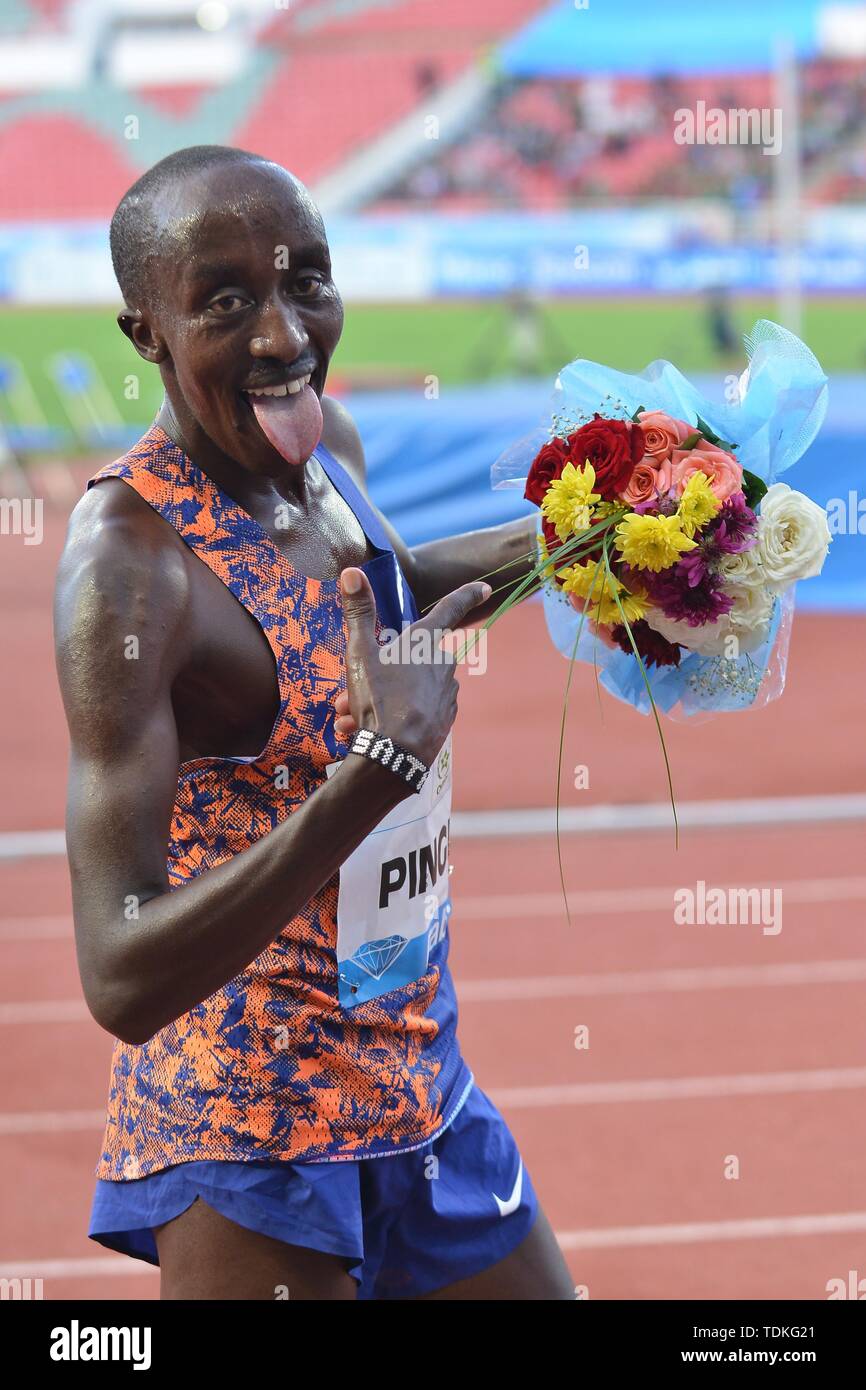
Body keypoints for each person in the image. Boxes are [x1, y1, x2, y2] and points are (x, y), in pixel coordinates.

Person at [54, 145, 574, 1301]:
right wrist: (374, 771)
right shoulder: (129, 572)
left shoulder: (318, 447)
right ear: (145, 333)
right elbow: (121, 971)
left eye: (307, 284)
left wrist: (581, 542)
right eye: (226, 301)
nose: (285, 336)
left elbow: (379, 584)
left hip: (414, 1069)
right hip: (254, 1122)